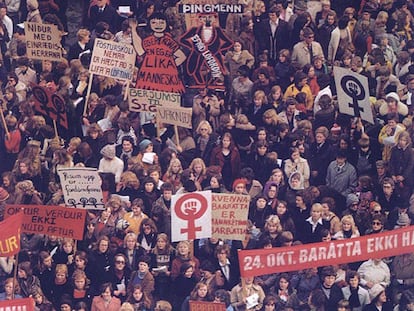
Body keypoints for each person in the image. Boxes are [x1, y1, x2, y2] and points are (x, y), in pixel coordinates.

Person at [130, 12, 186, 93]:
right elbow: (140, 51)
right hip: (149, 77)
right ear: (149, 24)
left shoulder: (169, 41)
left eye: (161, 23)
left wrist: (170, 65)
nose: (158, 25)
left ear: (166, 24)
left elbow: (182, 56)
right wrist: (133, 30)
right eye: (154, 23)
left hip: (166, 78)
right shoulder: (147, 40)